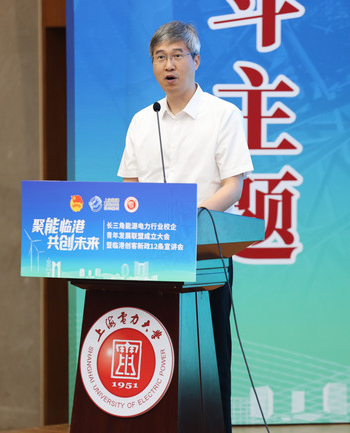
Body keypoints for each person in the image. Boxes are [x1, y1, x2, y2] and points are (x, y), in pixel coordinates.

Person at [117, 20, 253, 432]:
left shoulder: (223, 115)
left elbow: (233, 186)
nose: (169, 65)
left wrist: (186, 222)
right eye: (160, 57)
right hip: (151, 255)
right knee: (155, 348)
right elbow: (129, 188)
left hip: (204, 253)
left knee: (209, 354)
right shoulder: (143, 120)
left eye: (177, 55)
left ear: (196, 60)